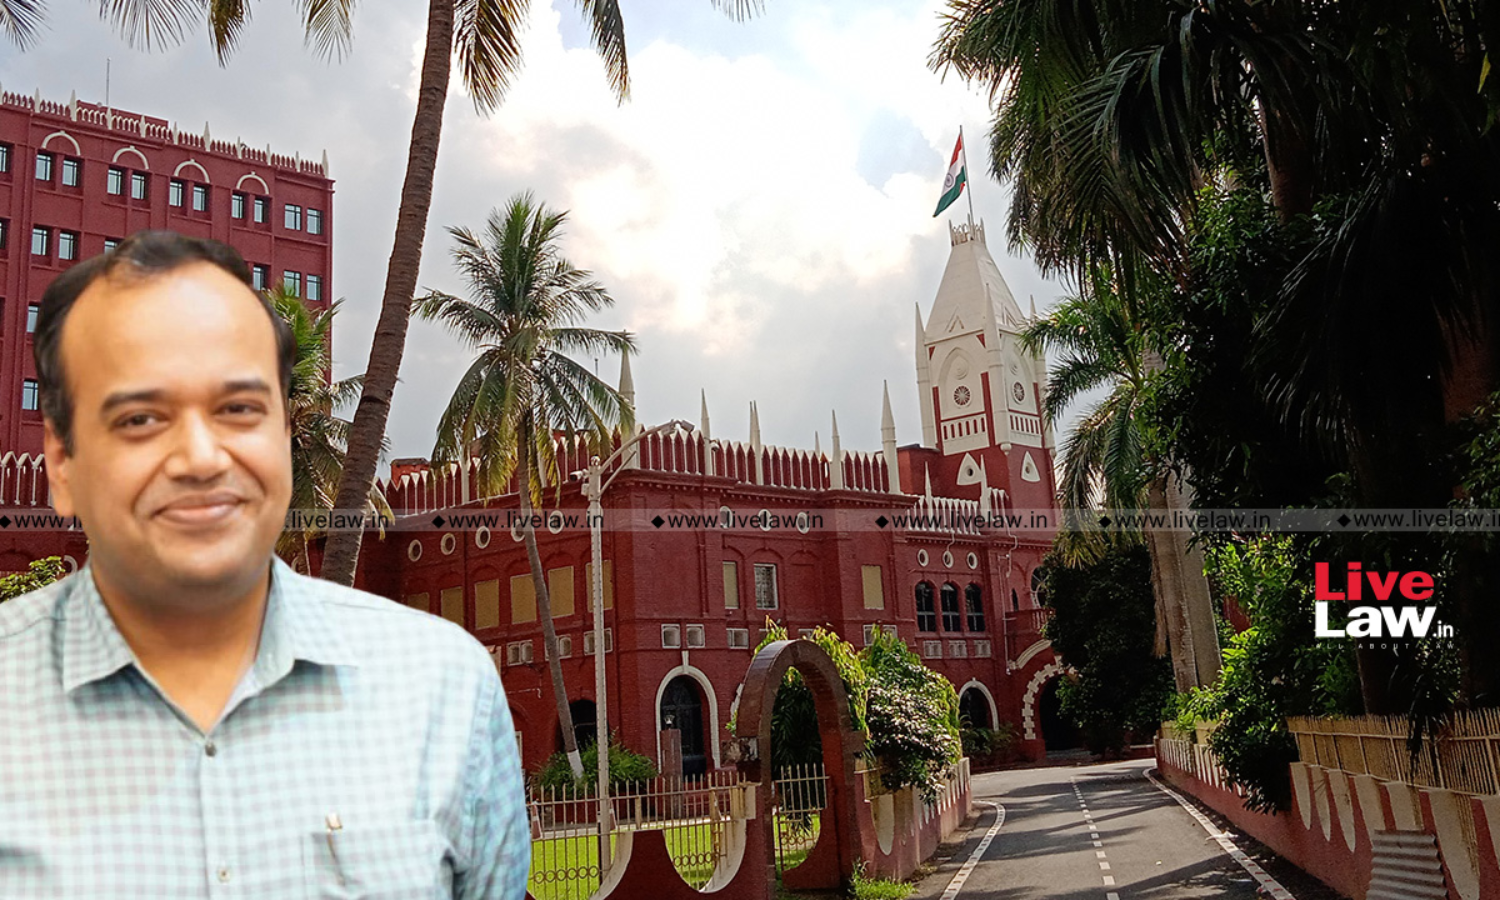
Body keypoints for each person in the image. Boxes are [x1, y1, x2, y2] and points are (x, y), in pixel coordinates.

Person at [0, 231, 529, 898]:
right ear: (60, 463)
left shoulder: (443, 692)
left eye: (239, 409)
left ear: (285, 435)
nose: (201, 459)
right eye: (139, 418)